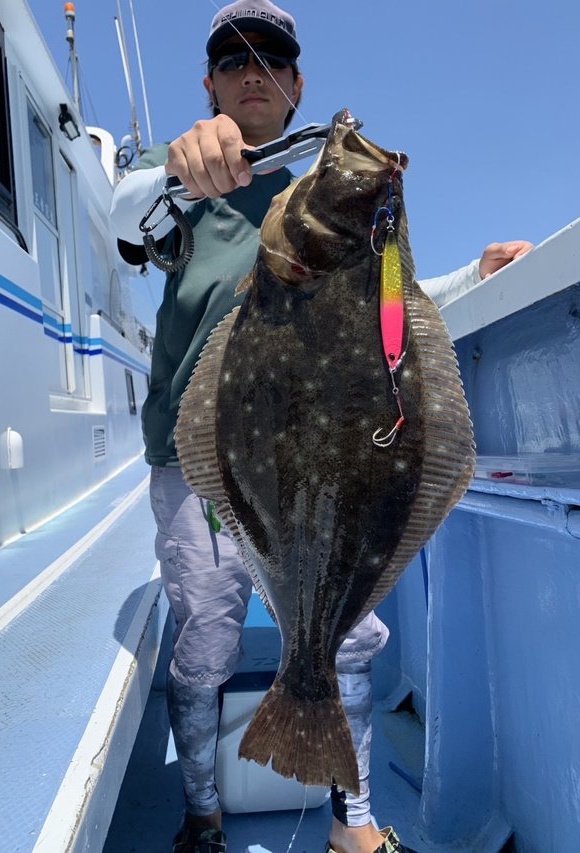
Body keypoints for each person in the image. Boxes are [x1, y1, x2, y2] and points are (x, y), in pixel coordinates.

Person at [110, 2, 533, 851]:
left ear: (298, 84)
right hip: (207, 461)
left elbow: (394, 307)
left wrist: (474, 276)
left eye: (272, 59)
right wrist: (180, 170)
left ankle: (356, 825)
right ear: (209, 84)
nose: (253, 71)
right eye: (234, 60)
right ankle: (202, 814)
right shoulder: (178, 172)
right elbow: (125, 216)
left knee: (349, 640)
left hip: (321, 455)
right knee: (205, 639)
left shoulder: (320, 193)